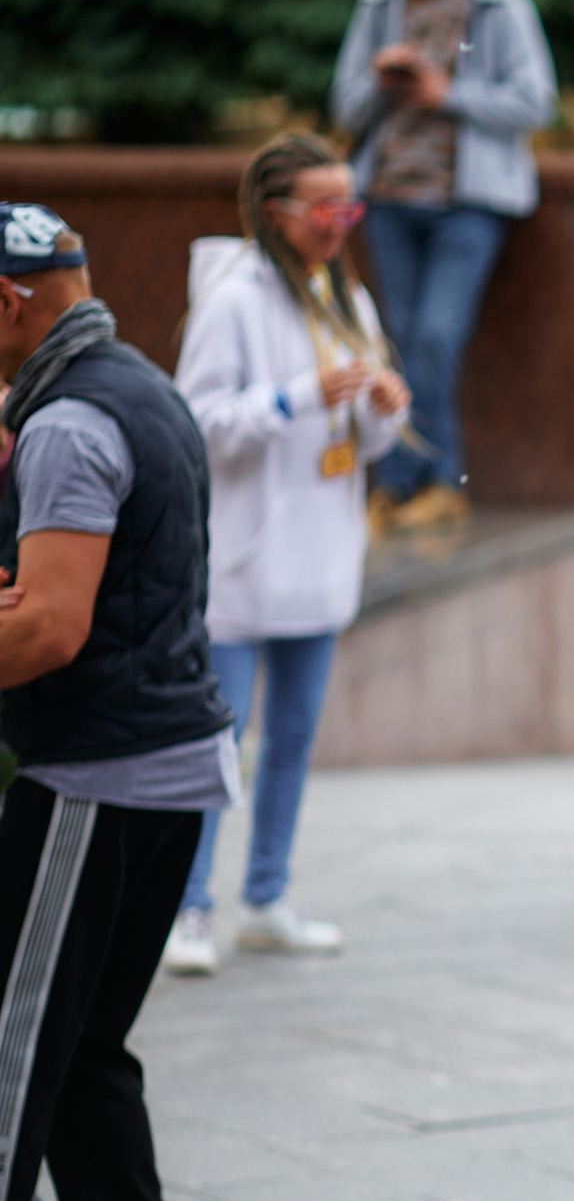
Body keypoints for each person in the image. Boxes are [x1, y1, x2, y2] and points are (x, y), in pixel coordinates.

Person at [0, 202, 225, 1201]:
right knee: (82, 1039)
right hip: (168, 764)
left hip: (99, 772)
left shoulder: (68, 423)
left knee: (10, 1034)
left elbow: (45, 629)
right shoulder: (135, 383)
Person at [162, 135, 413, 975]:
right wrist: (295, 397)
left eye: (351, 207)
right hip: (242, 556)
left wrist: (381, 406)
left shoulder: (346, 297)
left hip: (320, 551)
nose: (341, 224)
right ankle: (187, 907)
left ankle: (266, 894)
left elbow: (366, 437)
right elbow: (195, 423)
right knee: (216, 742)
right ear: (277, 213)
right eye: (325, 208)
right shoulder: (232, 298)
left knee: (294, 736)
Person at [328, 0, 556, 537]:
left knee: (433, 336)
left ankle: (438, 480)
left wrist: (446, 94)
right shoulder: (379, 3)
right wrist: (382, 80)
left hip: (467, 203)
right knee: (396, 341)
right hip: (390, 198)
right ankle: (401, 486)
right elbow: (345, 105)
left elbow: (535, 99)